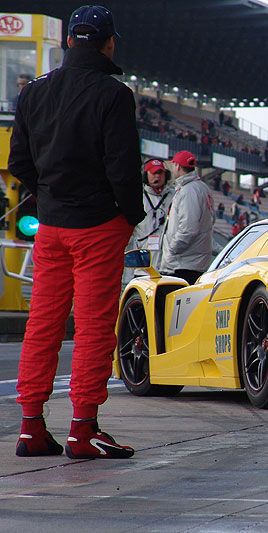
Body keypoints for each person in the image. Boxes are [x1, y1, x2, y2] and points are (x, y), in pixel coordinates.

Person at [9, 5, 142, 459]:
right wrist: (130, 215)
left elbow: (19, 164)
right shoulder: (114, 94)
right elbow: (123, 169)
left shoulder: (34, 93)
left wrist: (48, 198)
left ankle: (30, 427)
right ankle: (83, 430)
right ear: (108, 43)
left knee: (42, 325)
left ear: (69, 41)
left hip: (52, 227)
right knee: (92, 328)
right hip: (99, 226)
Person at [159, 150, 214, 284]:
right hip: (194, 261)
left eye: (173, 165)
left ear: (177, 166)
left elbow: (188, 228)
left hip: (184, 263)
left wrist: (172, 250)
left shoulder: (189, 190)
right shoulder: (202, 188)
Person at [126, 158, 174, 278]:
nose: (157, 176)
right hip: (142, 269)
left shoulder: (175, 197)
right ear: (145, 176)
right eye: (153, 173)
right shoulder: (137, 198)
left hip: (167, 268)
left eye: (160, 173)